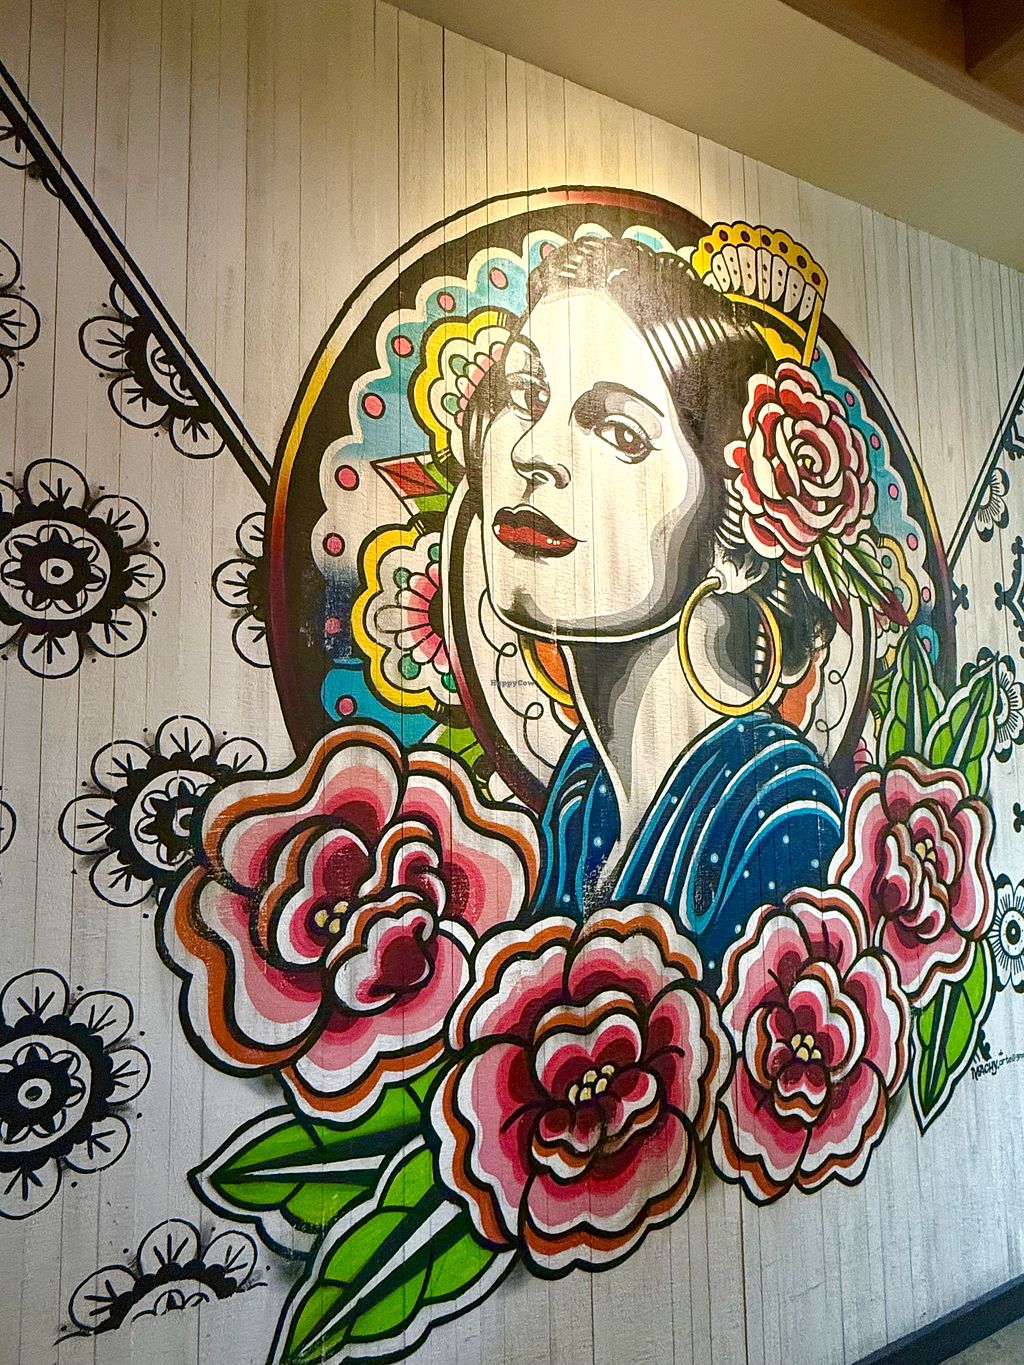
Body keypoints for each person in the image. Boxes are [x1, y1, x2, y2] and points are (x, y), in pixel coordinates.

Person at [464, 234, 847, 976]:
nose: (530, 452)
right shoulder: (586, 791)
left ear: (734, 539)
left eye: (619, 431)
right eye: (525, 395)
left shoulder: (775, 811)